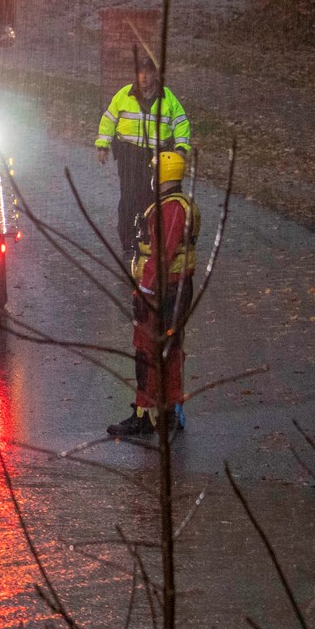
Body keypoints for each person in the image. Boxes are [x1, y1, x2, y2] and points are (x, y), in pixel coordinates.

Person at [109, 151, 200, 437]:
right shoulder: (174, 206)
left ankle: (145, 414)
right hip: (174, 288)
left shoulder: (170, 210)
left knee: (148, 350)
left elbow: (160, 256)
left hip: (164, 291)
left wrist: (143, 291)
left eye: (153, 172)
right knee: (170, 350)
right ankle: (168, 411)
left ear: (161, 175)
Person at [95, 51, 191, 257]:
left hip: (157, 156)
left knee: (152, 198)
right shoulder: (124, 95)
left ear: (155, 74)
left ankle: (150, 240)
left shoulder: (167, 98)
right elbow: (108, 120)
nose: (144, 77)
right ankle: (128, 242)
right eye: (140, 72)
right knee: (129, 197)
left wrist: (181, 148)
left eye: (148, 72)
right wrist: (102, 145)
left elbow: (181, 122)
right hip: (129, 154)